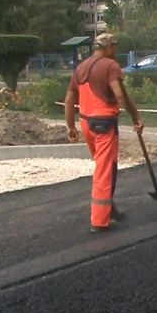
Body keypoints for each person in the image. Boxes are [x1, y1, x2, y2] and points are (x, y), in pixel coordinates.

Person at [64, 33, 144, 233]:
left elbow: (68, 100)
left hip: (85, 123)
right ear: (108, 47)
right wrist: (129, 115)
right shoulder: (110, 66)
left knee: (108, 165)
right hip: (104, 124)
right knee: (104, 170)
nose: (115, 50)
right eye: (114, 47)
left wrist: (71, 127)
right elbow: (120, 94)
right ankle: (99, 221)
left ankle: (110, 207)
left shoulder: (80, 68)